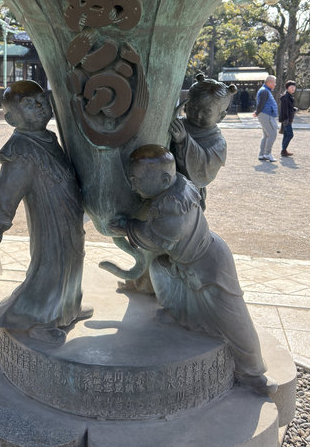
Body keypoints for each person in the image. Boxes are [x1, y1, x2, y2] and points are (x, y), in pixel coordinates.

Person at [108, 145, 277, 396]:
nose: (133, 186)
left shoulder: (174, 207)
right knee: (159, 269)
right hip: (184, 261)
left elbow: (154, 237)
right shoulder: (176, 186)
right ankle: (176, 313)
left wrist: (127, 227)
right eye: (132, 180)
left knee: (234, 320)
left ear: (164, 179)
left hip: (210, 264)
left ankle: (253, 373)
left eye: (138, 180)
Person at [0, 80, 92, 345]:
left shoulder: (48, 137)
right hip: (48, 219)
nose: (39, 106)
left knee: (74, 259)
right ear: (11, 119)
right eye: (28, 104)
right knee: (50, 265)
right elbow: (8, 189)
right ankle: (40, 320)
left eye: (41, 100)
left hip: (68, 214)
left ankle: (68, 307)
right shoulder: (21, 149)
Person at [169, 73, 236, 209]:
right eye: (193, 108)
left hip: (187, 194)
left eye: (206, 112)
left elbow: (204, 171)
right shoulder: (178, 124)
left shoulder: (218, 142)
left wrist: (184, 140)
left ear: (221, 116)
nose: (198, 114)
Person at [253, 75, 278, 162]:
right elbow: (261, 103)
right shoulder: (264, 91)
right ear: (269, 82)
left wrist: (257, 112)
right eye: (274, 82)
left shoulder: (265, 90)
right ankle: (267, 153)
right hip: (266, 115)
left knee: (266, 135)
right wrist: (257, 112)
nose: (275, 84)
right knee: (272, 134)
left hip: (266, 114)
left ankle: (262, 154)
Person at [279, 80, 297, 157]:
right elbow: (284, 109)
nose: (293, 88)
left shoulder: (289, 96)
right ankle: (283, 150)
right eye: (291, 87)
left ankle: (284, 149)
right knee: (290, 134)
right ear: (287, 88)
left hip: (288, 118)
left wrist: (293, 109)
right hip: (286, 119)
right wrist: (286, 119)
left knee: (286, 135)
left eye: (294, 87)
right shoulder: (285, 97)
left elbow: (288, 108)